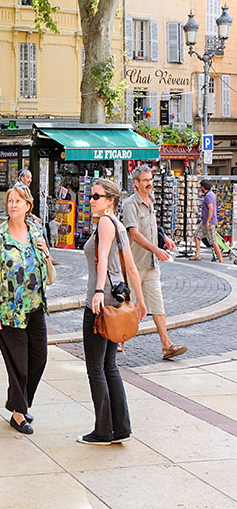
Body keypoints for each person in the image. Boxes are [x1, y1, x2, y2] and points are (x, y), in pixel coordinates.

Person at [79, 178, 147, 446]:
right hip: (117, 302)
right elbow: (130, 268)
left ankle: (103, 431)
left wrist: (97, 292)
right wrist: (140, 302)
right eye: (91, 196)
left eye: (96, 196)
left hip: (100, 305)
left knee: (96, 369)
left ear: (110, 200)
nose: (91, 201)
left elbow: (103, 256)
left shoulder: (106, 222)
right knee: (110, 366)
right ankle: (120, 428)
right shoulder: (119, 226)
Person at [0, 182, 50, 435]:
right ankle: (18, 414)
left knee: (39, 358)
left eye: (18, 201)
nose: (13, 205)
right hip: (9, 311)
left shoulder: (34, 230)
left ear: (27, 206)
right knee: (18, 364)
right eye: (10, 201)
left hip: (34, 306)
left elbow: (45, 264)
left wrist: (45, 251)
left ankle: (19, 402)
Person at [122, 165, 188, 361]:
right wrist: (156, 249)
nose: (149, 183)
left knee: (158, 306)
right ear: (136, 183)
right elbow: (134, 233)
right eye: (144, 180)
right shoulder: (129, 205)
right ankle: (117, 342)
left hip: (151, 265)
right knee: (127, 306)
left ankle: (166, 345)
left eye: (150, 179)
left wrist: (164, 237)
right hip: (134, 264)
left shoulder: (150, 200)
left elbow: (152, 225)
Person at [18, 169, 58, 265]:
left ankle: (47, 255)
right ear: (21, 178)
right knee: (41, 231)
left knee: (42, 229)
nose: (30, 180)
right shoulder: (22, 189)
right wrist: (33, 217)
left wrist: (32, 216)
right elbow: (24, 207)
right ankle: (47, 255)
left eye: (30, 178)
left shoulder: (20, 188)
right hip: (22, 218)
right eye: (28, 177)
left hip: (25, 216)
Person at [191, 179, 223, 263]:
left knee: (213, 241)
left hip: (209, 222)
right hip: (205, 221)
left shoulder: (208, 196)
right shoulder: (211, 194)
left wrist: (208, 221)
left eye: (200, 186)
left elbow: (211, 209)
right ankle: (197, 255)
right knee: (197, 235)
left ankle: (221, 259)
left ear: (203, 187)